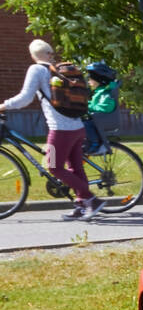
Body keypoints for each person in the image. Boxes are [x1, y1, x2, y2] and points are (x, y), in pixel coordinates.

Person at [0, 40, 104, 218]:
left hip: (60, 131)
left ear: (32, 55)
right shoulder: (59, 71)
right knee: (75, 167)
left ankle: (91, 200)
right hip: (78, 128)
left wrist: (3, 105)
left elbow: (25, 98)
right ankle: (82, 205)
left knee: (53, 166)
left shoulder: (37, 70)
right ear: (50, 54)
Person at [83, 62, 119, 156]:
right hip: (99, 119)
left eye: (90, 79)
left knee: (86, 124)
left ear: (98, 80)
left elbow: (106, 106)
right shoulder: (100, 91)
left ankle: (95, 143)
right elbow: (96, 104)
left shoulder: (105, 92)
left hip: (103, 120)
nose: (89, 81)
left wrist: (89, 107)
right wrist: (86, 105)